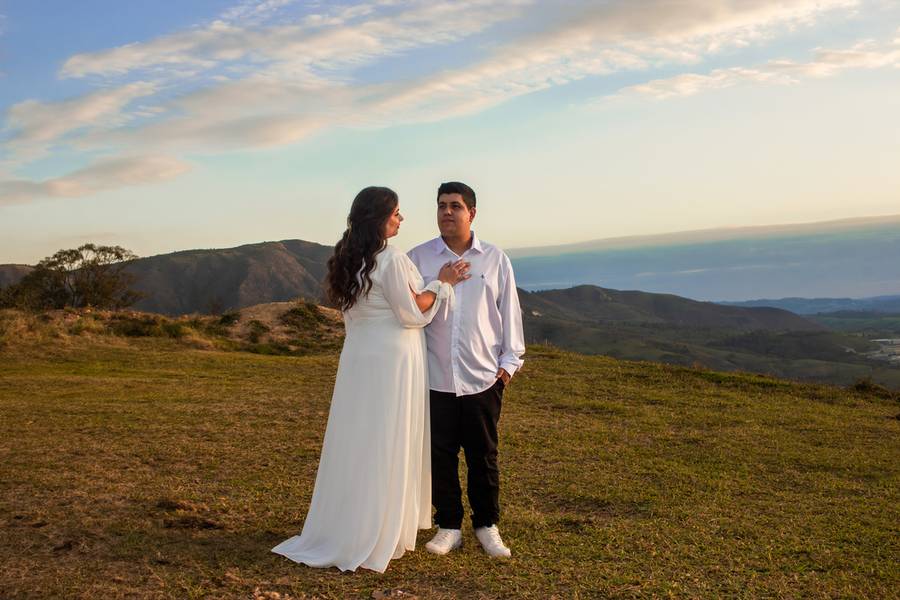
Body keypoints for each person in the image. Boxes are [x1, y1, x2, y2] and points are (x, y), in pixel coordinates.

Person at [271, 186, 470, 573]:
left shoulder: (348, 258)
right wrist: (443, 283)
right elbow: (412, 312)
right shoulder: (390, 259)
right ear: (379, 217)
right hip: (393, 360)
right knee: (385, 439)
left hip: (359, 359)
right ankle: (377, 528)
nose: (401, 218)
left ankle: (350, 521)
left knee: (359, 439)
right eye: (396, 212)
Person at [408, 181, 525, 558]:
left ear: (471, 213)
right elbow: (410, 313)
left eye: (455, 206)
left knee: (483, 457)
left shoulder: (494, 259)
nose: (446, 212)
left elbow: (509, 315)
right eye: (441, 205)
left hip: (482, 380)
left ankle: (487, 525)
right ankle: (448, 526)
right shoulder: (419, 258)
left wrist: (506, 369)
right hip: (435, 377)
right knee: (440, 456)